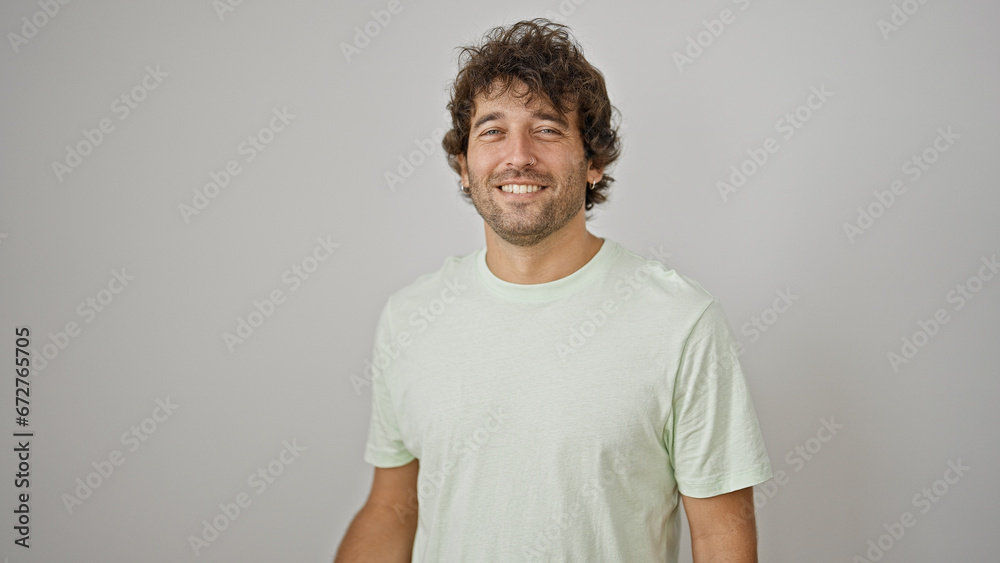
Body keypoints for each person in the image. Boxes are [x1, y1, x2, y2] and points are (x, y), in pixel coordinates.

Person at [336, 18, 771, 563]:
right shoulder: (410, 317)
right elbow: (390, 511)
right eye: (492, 130)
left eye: (546, 129)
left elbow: (721, 536)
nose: (518, 155)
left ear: (593, 163)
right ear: (463, 165)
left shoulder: (681, 321)